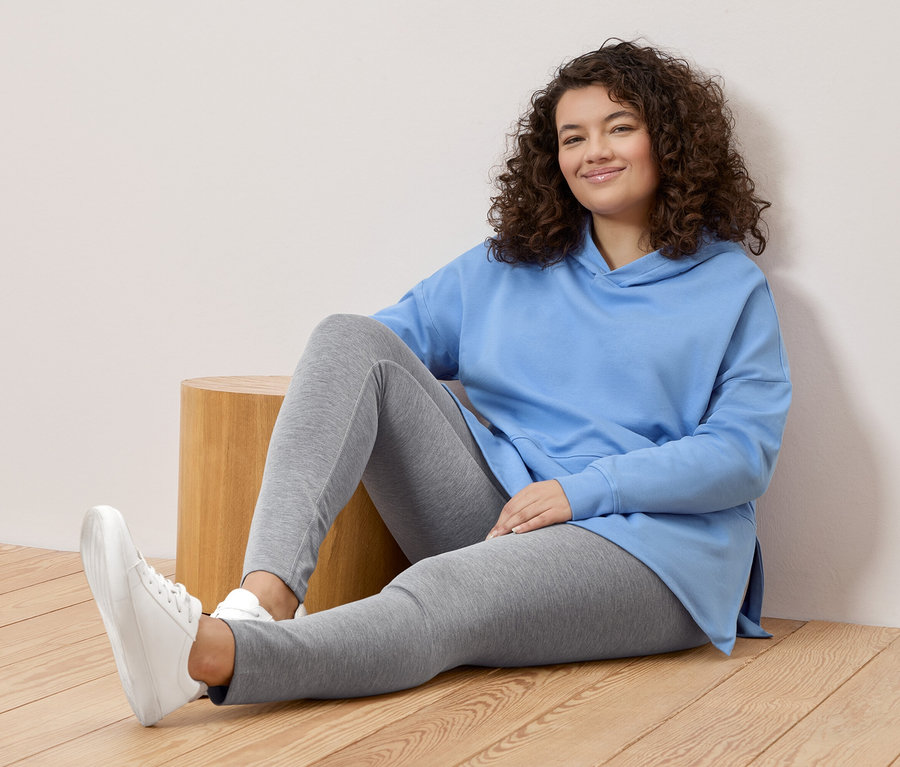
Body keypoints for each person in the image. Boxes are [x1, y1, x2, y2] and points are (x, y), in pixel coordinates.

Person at [81, 40, 791, 727]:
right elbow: (376, 353)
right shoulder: (511, 262)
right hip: (507, 509)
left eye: (620, 127)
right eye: (572, 137)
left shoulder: (730, 287)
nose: (594, 151)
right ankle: (259, 602)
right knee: (347, 335)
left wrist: (584, 490)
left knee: (444, 589)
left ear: (668, 140)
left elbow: (742, 454)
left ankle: (203, 654)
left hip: (653, 549)